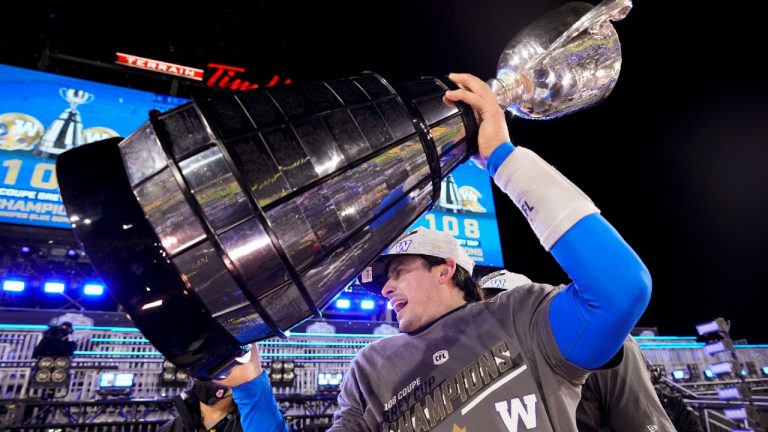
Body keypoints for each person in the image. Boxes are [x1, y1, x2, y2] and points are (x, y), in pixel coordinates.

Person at [234, 72, 652, 431]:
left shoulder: (521, 315)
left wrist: (503, 160)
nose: (385, 289)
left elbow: (619, 289)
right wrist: (251, 389)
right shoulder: (370, 366)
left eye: (397, 271)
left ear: (444, 269)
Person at [481, 270, 677, 432]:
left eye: (506, 312)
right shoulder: (486, 371)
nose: (498, 326)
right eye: (487, 316)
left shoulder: (600, 342)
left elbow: (645, 423)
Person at [159, 343, 288, 432]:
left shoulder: (256, 422)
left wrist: (250, 381)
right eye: (201, 366)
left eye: (219, 368)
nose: (209, 374)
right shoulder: (170, 429)